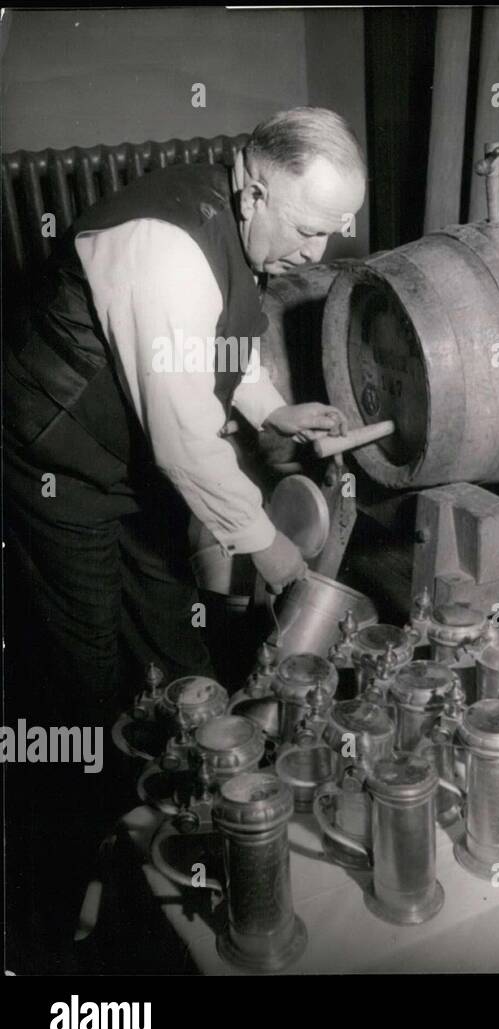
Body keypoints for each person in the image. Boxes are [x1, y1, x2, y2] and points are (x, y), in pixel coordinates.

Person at [2, 106, 366, 970]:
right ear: (255, 187)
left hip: (127, 456)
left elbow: (214, 344)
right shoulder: (163, 247)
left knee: (172, 634)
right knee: (84, 670)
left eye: (336, 232)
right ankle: (57, 908)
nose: (320, 254)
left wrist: (273, 407)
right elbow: (182, 439)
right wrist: (274, 554)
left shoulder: (238, 230)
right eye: (312, 230)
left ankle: (187, 818)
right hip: (58, 453)